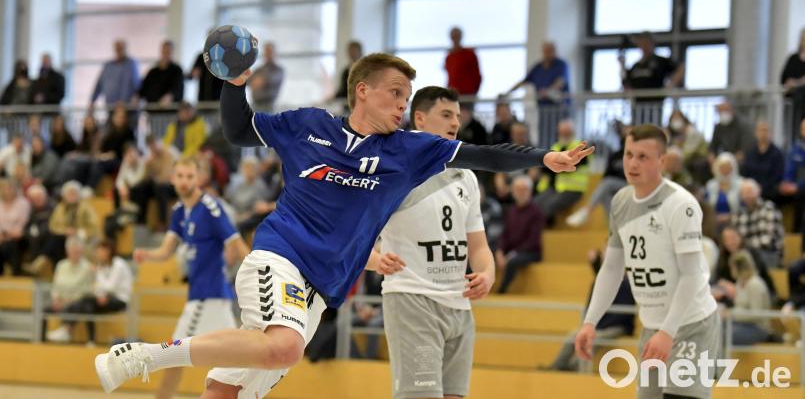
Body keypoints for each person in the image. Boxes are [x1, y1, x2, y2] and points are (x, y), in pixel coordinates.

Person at [95, 52, 593, 398]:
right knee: (285, 347)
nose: (403, 104)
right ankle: (146, 356)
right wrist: (235, 84)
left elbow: (485, 154)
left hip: (320, 289)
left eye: (408, 96)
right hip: (279, 257)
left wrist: (543, 157)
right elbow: (237, 130)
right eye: (396, 94)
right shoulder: (309, 125)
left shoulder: (411, 151)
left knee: (231, 388)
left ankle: (157, 359)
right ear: (362, 91)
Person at [575, 124, 719, 399]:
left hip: (690, 325)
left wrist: (669, 331)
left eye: (643, 157)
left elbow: (692, 276)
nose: (632, 163)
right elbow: (613, 268)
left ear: (662, 162)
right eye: (629, 154)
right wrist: (590, 322)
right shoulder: (620, 201)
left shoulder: (681, 204)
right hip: (653, 326)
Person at [372, 86, 495, 399]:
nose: (455, 122)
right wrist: (373, 260)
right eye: (446, 115)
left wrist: (487, 273)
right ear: (420, 119)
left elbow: (479, 247)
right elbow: (351, 232)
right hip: (413, 299)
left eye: (457, 115)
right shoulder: (395, 169)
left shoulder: (465, 176)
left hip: (459, 306)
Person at [131, 157, 250, 399]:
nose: (185, 181)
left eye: (190, 177)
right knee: (237, 359)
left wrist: (257, 276)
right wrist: (147, 254)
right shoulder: (178, 211)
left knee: (174, 356)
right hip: (204, 297)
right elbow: (166, 250)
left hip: (208, 297)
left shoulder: (210, 208)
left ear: (199, 179)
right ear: (173, 179)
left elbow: (236, 244)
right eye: (181, 176)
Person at [544, 248, 635, 372]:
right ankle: (557, 366)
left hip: (618, 326)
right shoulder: (598, 282)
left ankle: (575, 368)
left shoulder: (626, 283)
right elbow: (590, 305)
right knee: (573, 335)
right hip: (600, 325)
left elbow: (623, 314)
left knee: (593, 339)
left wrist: (598, 325)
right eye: (603, 253)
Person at [47, 240, 133, 344]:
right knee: (88, 307)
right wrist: (100, 295)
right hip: (106, 298)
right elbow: (98, 287)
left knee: (85, 299)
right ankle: (90, 340)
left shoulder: (118, 264)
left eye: (100, 251)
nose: (98, 254)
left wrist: (97, 272)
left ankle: (67, 329)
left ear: (107, 251)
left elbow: (110, 287)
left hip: (120, 300)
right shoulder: (103, 266)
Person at [506, 41, 571, 147]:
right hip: (543, 109)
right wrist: (508, 92)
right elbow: (524, 81)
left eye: (550, 51)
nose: (548, 54)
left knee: (559, 134)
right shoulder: (538, 67)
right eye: (546, 51)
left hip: (559, 108)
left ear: (554, 51)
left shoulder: (561, 65)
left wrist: (549, 90)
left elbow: (561, 81)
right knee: (545, 135)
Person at [566, 124, 628, 227]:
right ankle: (614, 229)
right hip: (616, 187)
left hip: (632, 185)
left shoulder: (636, 156)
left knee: (607, 183)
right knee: (605, 195)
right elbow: (606, 175)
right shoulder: (615, 155)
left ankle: (587, 211)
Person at [620, 32, 684, 126]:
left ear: (652, 44)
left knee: (652, 130)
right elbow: (626, 83)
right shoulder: (636, 66)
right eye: (641, 44)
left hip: (654, 105)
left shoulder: (660, 61)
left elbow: (680, 68)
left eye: (646, 43)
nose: (644, 47)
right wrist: (622, 66)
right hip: (637, 106)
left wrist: (670, 85)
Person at [496, 175, 545, 294]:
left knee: (513, 261)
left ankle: (501, 291)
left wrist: (512, 254)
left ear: (530, 191)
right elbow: (505, 235)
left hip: (531, 252)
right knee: (487, 254)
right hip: (512, 251)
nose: (521, 193)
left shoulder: (536, 212)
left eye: (524, 189)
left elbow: (533, 241)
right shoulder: (511, 210)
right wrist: (500, 251)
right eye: (517, 189)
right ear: (512, 191)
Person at [535, 120, 591, 222]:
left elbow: (569, 166)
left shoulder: (580, 147)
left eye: (567, 132)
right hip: (555, 188)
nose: (564, 135)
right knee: (534, 204)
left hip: (574, 189)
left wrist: (555, 166)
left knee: (548, 206)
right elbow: (546, 168)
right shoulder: (555, 147)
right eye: (562, 132)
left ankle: (545, 232)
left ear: (573, 132)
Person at [45, 236, 94, 342]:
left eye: (77, 252)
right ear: (67, 251)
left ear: (82, 251)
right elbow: (55, 286)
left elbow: (87, 290)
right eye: (72, 251)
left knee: (76, 306)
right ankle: (40, 339)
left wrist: (68, 301)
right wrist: (56, 298)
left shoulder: (88, 267)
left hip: (76, 301)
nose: (75, 254)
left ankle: (66, 331)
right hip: (60, 300)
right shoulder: (61, 265)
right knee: (44, 308)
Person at [731, 179, 784, 268]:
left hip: (769, 254)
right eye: (744, 193)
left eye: (750, 192)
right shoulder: (738, 212)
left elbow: (768, 241)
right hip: (744, 253)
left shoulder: (769, 208)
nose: (747, 195)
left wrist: (744, 246)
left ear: (759, 191)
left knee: (748, 258)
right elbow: (735, 238)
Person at [725, 250, 772, 346]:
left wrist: (732, 314)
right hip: (741, 324)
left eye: (732, 267)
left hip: (758, 327)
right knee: (718, 328)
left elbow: (756, 314)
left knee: (726, 334)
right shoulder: (739, 283)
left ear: (739, 268)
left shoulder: (755, 284)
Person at [741, 120, 785, 201]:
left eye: (766, 130)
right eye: (761, 130)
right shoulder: (750, 151)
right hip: (750, 191)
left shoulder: (777, 153)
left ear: (770, 133)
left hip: (769, 192)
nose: (763, 133)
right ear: (756, 133)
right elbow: (745, 172)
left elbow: (778, 176)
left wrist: (761, 188)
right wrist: (752, 187)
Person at [778, 119, 805, 240]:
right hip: (796, 191)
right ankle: (793, 236)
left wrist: (798, 186)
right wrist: (786, 183)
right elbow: (789, 170)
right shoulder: (795, 149)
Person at [90, 40, 140, 107]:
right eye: (117, 49)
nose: (119, 51)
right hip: (111, 105)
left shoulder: (131, 64)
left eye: (121, 48)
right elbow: (99, 84)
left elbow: (135, 84)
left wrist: (128, 99)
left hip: (126, 107)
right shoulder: (108, 66)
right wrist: (93, 101)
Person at [667, 110, 710, 186]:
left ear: (684, 119)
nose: (675, 121)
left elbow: (688, 152)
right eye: (673, 119)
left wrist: (674, 161)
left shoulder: (693, 132)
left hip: (694, 159)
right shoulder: (673, 133)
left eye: (677, 119)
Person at [0, 179, 31, 275]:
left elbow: (21, 227)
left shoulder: (23, 203)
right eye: (4, 188)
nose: (7, 191)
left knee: (10, 245)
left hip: (19, 237)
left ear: (15, 189)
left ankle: (16, 274)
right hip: (2, 237)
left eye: (10, 188)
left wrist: (5, 235)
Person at [139, 41, 184, 106]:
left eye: (168, 52)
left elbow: (178, 89)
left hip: (169, 111)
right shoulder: (153, 71)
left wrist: (170, 96)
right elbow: (143, 89)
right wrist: (137, 96)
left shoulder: (177, 70)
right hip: (152, 110)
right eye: (164, 51)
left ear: (172, 53)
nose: (166, 54)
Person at [781, 27, 805, 145]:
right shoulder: (793, 59)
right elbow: (784, 80)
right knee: (792, 130)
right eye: (803, 38)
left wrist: (796, 83)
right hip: (793, 102)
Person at [705, 152, 742, 226]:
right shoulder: (710, 185)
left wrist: (730, 217)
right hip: (715, 223)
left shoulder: (741, 184)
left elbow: (744, 208)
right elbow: (707, 206)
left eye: (728, 167)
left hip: (736, 222)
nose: (725, 170)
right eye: (722, 167)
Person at [444, 27, 481, 96]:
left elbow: (477, 76)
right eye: (453, 37)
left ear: (460, 37)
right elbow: (450, 76)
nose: (455, 39)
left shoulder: (469, 54)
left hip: (467, 94)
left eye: (457, 36)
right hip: (452, 94)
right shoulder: (449, 57)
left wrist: (473, 92)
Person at [248, 42, 284, 112]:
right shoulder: (259, 69)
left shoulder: (278, 70)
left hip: (268, 107)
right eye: (266, 52)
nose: (268, 54)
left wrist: (260, 81)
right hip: (255, 106)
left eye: (270, 52)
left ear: (275, 53)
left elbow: (269, 80)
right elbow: (248, 81)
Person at [334, 41, 363, 109]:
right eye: (350, 51)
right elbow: (342, 90)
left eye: (354, 51)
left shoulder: (366, 70)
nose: (352, 54)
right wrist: (332, 98)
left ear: (360, 52)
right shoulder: (345, 71)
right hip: (347, 106)